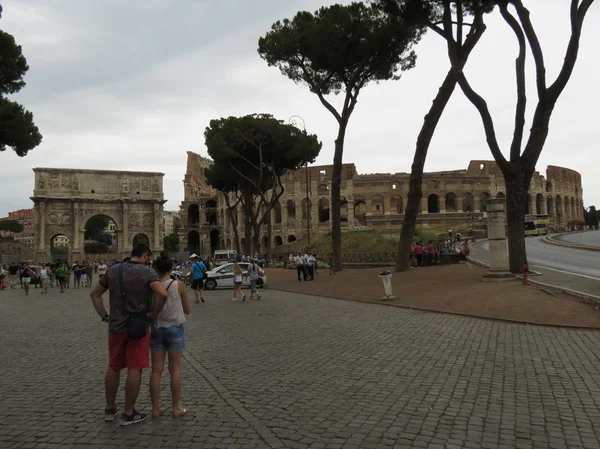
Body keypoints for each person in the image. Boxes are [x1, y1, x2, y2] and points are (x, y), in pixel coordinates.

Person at [90, 244, 168, 426]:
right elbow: (163, 294)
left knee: (114, 366)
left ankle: (110, 408)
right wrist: (153, 314)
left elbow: (95, 294)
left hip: (116, 326)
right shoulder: (147, 273)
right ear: (145, 255)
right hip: (138, 327)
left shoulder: (113, 270)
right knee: (135, 368)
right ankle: (128, 412)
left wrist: (105, 317)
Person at [149, 251, 190, 419]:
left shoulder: (152, 285)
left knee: (156, 371)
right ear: (171, 267)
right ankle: (176, 408)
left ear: (156, 268)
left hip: (157, 328)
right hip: (175, 328)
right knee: (175, 370)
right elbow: (187, 310)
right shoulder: (178, 285)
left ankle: (155, 409)